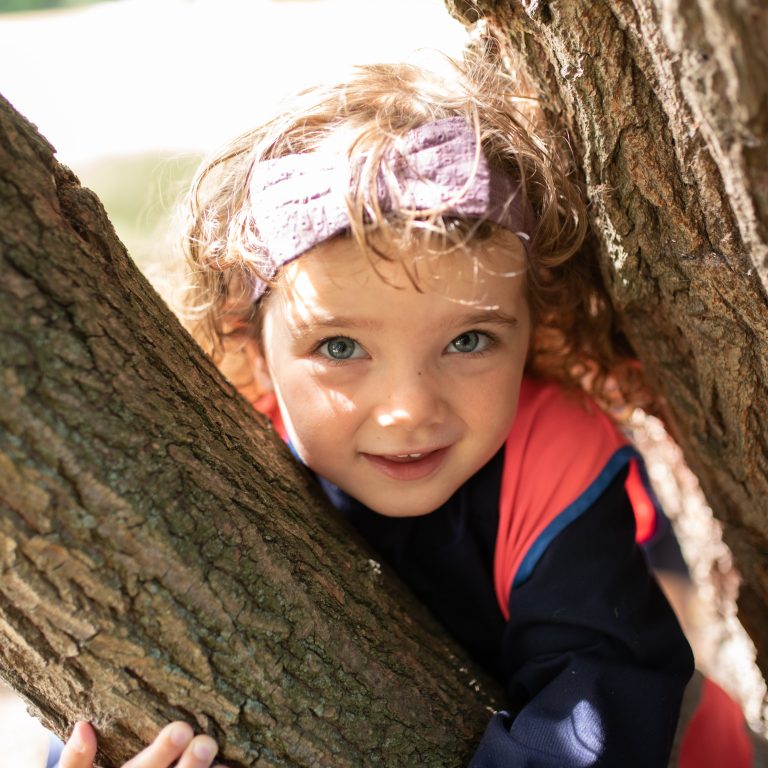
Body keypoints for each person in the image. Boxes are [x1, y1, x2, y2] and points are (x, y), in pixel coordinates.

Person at [53, 51, 760, 768]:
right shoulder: (220, 454)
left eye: (469, 339)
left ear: (533, 328)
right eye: (338, 347)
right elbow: (125, 655)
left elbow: (597, 698)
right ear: (253, 344)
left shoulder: (550, 452)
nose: (407, 411)